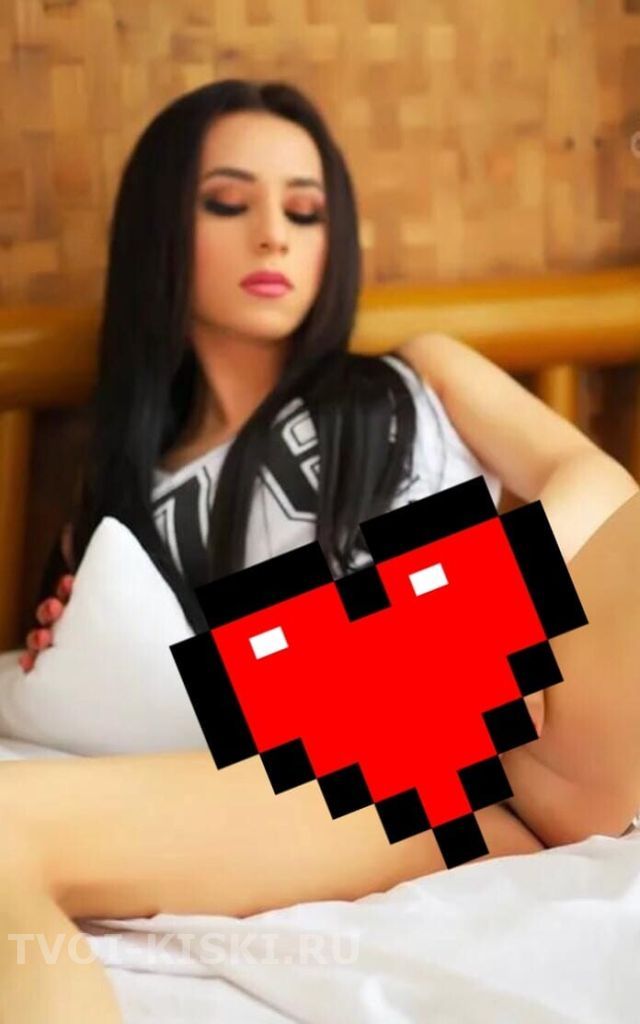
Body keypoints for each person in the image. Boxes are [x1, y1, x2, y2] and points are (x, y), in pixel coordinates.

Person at [2, 78, 639, 1023]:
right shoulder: (118, 513)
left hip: (546, 696)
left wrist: (453, 606)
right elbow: (192, 723)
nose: (274, 236)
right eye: (229, 203)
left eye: (304, 212)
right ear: (159, 231)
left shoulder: (414, 375)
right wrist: (73, 648)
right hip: (405, 775)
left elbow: (598, 486)